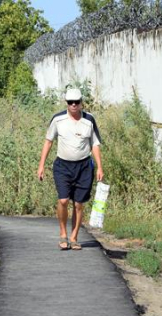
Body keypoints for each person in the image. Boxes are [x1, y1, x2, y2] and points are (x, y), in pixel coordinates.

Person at [37, 88, 104, 250]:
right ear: (66, 103)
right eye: (70, 102)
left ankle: (74, 237)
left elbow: (95, 144)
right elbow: (48, 141)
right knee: (63, 200)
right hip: (63, 166)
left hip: (84, 166)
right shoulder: (58, 119)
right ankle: (63, 234)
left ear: (82, 102)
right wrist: (41, 165)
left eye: (76, 102)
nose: (73, 105)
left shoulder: (89, 120)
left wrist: (99, 167)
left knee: (79, 204)